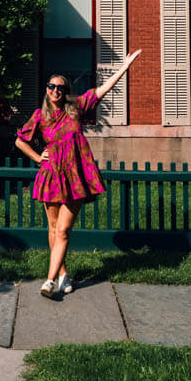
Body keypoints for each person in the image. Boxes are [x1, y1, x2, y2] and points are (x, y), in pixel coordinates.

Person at [14, 50, 142, 299]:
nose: (55, 91)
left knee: (63, 230)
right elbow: (20, 141)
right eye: (51, 86)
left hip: (75, 176)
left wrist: (124, 68)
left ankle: (49, 282)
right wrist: (38, 157)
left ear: (66, 91)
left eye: (60, 87)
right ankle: (63, 275)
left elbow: (102, 89)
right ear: (47, 89)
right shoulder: (40, 116)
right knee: (52, 228)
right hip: (51, 175)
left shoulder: (76, 108)